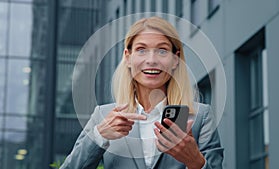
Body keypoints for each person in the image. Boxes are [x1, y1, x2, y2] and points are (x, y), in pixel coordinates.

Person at [60, 16, 223, 169]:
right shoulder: (104, 116)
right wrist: (99, 136)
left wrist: (196, 161)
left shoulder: (200, 117)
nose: (151, 60)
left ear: (175, 60)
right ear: (128, 58)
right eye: (141, 50)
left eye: (162, 51)